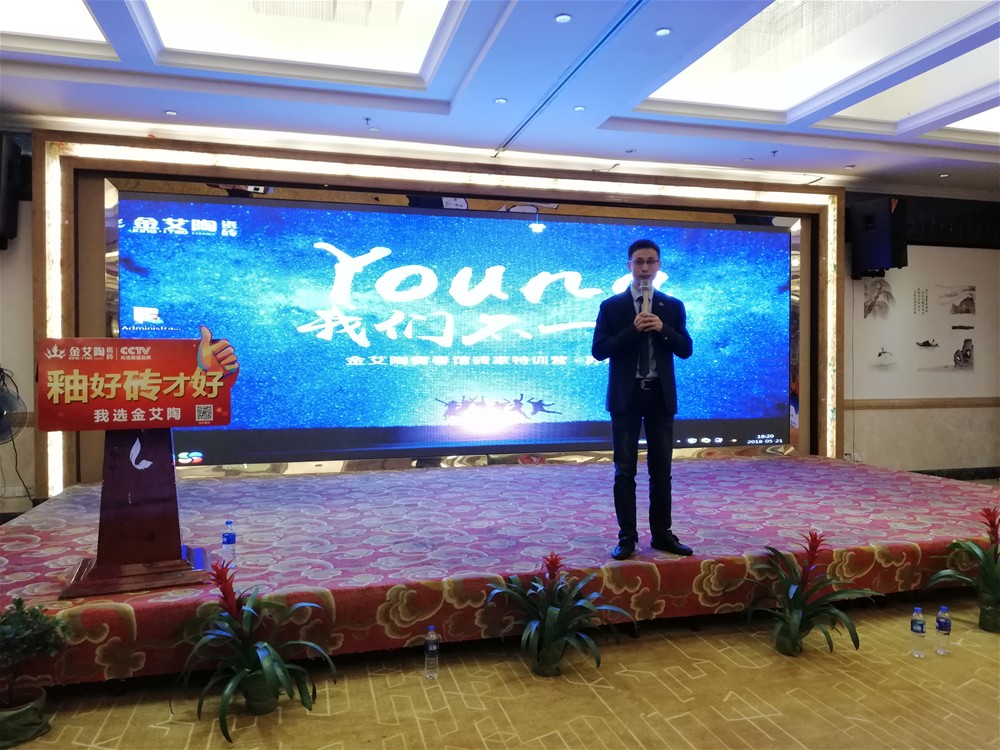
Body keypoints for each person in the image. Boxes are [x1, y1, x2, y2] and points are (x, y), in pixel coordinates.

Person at [592, 239, 694, 560]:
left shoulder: (672, 306)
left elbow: (685, 349)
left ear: (659, 265)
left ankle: (662, 534)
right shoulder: (612, 306)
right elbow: (599, 351)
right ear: (629, 266)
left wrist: (663, 328)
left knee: (661, 470)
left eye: (651, 261)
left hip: (660, 397)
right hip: (626, 397)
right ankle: (627, 537)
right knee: (625, 471)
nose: (645, 268)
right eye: (639, 262)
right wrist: (631, 330)